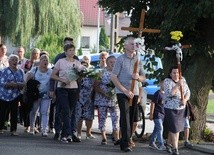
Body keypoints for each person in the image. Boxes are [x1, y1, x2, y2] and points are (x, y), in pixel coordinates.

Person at [111, 36, 145, 152]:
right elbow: (114, 76)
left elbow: (144, 77)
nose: (133, 46)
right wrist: (124, 90)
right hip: (122, 92)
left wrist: (138, 77)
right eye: (131, 44)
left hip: (134, 92)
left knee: (131, 117)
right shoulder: (120, 59)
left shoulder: (138, 60)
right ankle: (125, 144)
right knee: (125, 116)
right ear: (125, 46)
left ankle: (127, 138)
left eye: (134, 44)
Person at [51, 44, 85, 143]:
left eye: (73, 50)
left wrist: (81, 74)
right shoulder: (60, 62)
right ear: (65, 52)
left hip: (73, 88)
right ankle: (66, 134)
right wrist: (62, 79)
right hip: (62, 88)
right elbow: (53, 75)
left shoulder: (77, 63)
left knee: (71, 111)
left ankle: (69, 133)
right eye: (69, 50)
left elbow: (80, 76)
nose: (72, 52)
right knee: (65, 110)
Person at [164, 66, 190, 155]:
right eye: (174, 73)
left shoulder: (183, 80)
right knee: (174, 129)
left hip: (181, 108)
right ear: (170, 74)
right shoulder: (167, 81)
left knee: (175, 129)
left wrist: (185, 100)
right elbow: (169, 94)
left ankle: (168, 144)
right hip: (170, 108)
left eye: (177, 73)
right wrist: (177, 85)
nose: (176, 74)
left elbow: (188, 92)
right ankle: (176, 149)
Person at [94, 55, 120, 145]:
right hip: (102, 99)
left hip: (114, 100)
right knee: (102, 118)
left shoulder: (118, 73)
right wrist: (105, 94)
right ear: (107, 62)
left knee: (116, 118)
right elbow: (96, 86)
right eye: (111, 62)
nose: (113, 64)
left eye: (114, 62)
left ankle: (116, 137)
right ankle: (103, 137)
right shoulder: (101, 72)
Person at [26, 55, 52, 136]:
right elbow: (28, 79)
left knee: (45, 112)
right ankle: (32, 128)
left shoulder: (50, 71)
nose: (45, 62)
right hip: (35, 95)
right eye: (43, 60)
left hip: (46, 95)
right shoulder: (35, 69)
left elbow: (53, 82)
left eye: (47, 60)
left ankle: (44, 130)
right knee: (34, 111)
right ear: (40, 61)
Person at [0, 54, 25, 135]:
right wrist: (11, 84)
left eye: (16, 60)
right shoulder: (4, 71)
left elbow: (23, 83)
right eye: (13, 59)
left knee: (14, 112)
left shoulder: (20, 71)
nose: (15, 61)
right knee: (2, 112)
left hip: (15, 95)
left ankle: (13, 130)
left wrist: (16, 84)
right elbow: (2, 83)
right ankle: (0, 128)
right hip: (4, 95)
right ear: (9, 61)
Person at [76, 57, 96, 140]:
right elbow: (76, 84)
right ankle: (79, 133)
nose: (84, 66)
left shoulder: (92, 74)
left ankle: (88, 133)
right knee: (79, 116)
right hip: (79, 97)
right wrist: (80, 75)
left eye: (86, 64)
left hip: (89, 97)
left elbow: (95, 85)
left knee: (89, 116)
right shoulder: (77, 74)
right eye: (82, 64)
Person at [149, 80, 166, 151]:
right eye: (163, 84)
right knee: (160, 128)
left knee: (156, 129)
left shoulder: (166, 94)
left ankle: (151, 142)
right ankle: (160, 144)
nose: (165, 85)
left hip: (163, 114)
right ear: (160, 84)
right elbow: (152, 104)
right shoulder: (157, 93)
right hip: (157, 114)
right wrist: (151, 114)